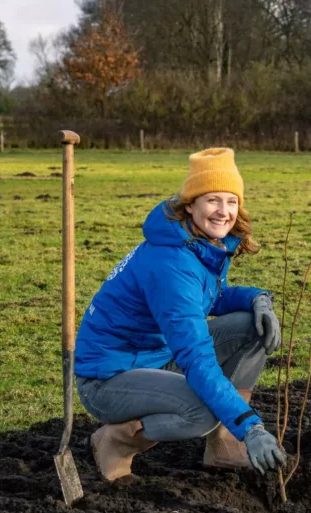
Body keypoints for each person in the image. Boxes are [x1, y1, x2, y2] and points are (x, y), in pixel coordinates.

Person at [75, 148, 286, 481]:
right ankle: (113, 441)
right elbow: (195, 357)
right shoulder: (172, 263)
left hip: (156, 359)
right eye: (212, 200)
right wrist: (252, 427)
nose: (224, 211)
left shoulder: (197, 243)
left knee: (250, 327)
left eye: (231, 201)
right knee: (202, 411)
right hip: (108, 379)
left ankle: (225, 447)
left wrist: (257, 299)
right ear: (190, 204)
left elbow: (207, 298)